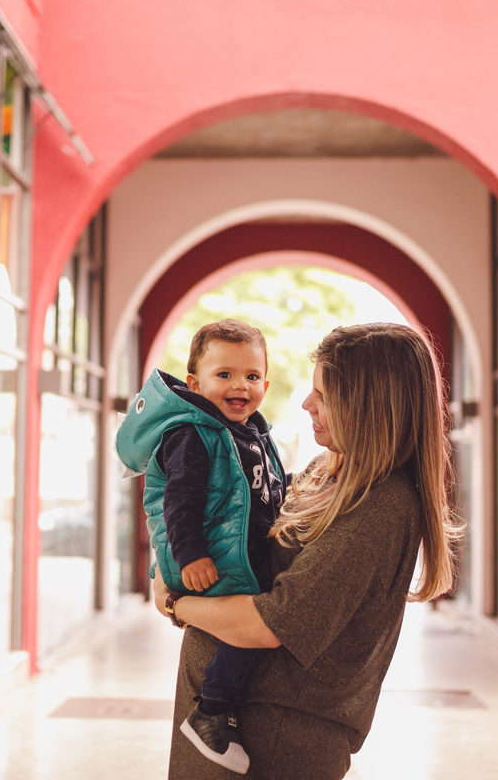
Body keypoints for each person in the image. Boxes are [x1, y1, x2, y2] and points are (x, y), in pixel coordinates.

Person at [152, 322, 461, 780]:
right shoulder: (326, 472)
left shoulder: (381, 506)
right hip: (233, 730)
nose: (306, 403)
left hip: (271, 743)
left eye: (324, 395)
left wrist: (177, 601)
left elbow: (271, 622)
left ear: (370, 405)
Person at [116, 319, 287, 774]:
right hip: (210, 562)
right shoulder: (191, 433)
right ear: (194, 384)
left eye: (252, 377)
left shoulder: (252, 433)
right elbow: (179, 500)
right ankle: (212, 710)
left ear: (265, 384)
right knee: (249, 630)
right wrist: (191, 555)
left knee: (256, 625)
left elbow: (266, 488)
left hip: (239, 557)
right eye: (224, 375)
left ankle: (221, 706)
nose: (240, 386)